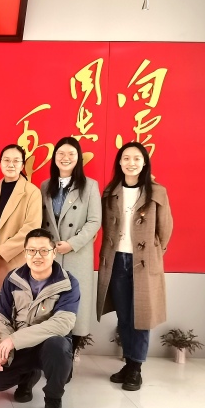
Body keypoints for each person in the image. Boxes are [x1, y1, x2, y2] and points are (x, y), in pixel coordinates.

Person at [96, 142, 173, 391]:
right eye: (126, 158)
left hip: (143, 262)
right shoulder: (111, 192)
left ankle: (136, 368)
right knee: (124, 316)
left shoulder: (157, 192)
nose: (131, 163)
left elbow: (165, 229)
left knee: (141, 317)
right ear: (119, 162)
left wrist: (153, 254)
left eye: (137, 158)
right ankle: (128, 363)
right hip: (117, 260)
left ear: (144, 162)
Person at [0, 228, 80, 408]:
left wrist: (14, 340)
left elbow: (62, 323)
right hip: (21, 347)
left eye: (44, 251)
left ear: (54, 252)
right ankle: (29, 376)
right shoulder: (13, 279)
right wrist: (5, 349)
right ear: (25, 253)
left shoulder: (68, 283)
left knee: (58, 346)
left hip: (48, 346)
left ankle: (53, 400)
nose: (37, 256)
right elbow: (1, 318)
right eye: (32, 250)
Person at [40, 137, 101, 359]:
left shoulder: (90, 186)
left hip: (77, 254)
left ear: (78, 158)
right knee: (49, 304)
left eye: (71, 154)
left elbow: (94, 221)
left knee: (75, 305)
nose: (65, 158)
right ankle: (51, 356)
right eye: (61, 154)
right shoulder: (45, 185)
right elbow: (41, 220)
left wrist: (72, 244)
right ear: (54, 157)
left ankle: (69, 357)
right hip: (51, 255)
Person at [0, 144, 42, 304]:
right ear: (0, 163)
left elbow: (31, 228)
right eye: (6, 160)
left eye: (16, 161)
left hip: (15, 258)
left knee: (14, 306)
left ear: (22, 165)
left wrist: (4, 250)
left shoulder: (32, 192)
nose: (11, 164)